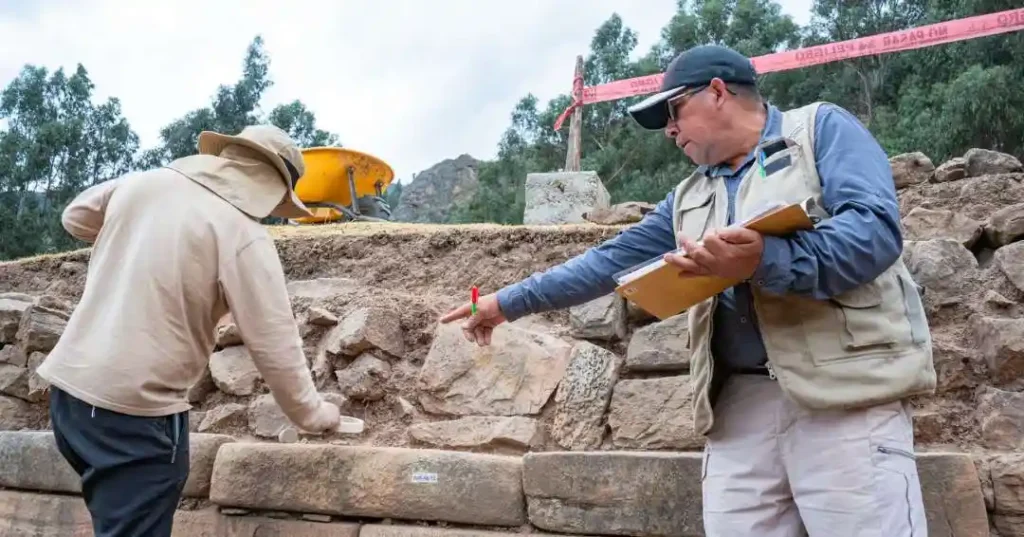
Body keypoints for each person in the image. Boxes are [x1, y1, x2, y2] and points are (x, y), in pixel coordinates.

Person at [441, 44, 936, 536]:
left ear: (718, 92)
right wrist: (505, 303)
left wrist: (764, 258)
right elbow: (609, 262)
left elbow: (874, 233)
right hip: (738, 409)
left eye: (674, 111)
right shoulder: (689, 195)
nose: (670, 130)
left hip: (845, 400)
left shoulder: (821, 129)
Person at [37, 125, 344, 537]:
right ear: (274, 189)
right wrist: (314, 414)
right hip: (133, 413)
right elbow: (276, 343)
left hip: (71, 399)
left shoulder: (143, 184)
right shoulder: (243, 234)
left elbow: (74, 216)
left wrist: (145, 239)